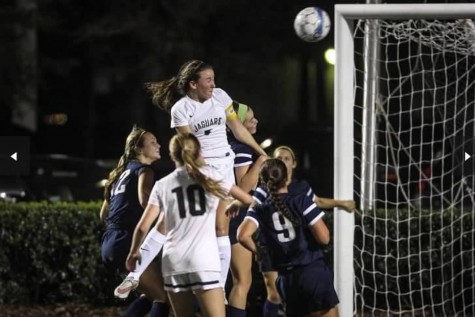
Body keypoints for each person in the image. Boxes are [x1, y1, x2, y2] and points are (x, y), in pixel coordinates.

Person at [146, 60, 267, 292]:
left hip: (223, 170)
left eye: (213, 78)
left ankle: (216, 289)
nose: (213, 83)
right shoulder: (181, 109)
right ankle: (138, 272)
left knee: (219, 229)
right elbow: (191, 148)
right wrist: (208, 176)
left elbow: (238, 129)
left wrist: (262, 153)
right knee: (173, 224)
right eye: (208, 79)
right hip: (203, 173)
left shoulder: (221, 96)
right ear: (193, 84)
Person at [125, 133, 254, 317]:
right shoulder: (211, 175)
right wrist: (236, 203)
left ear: (172, 155)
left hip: (173, 261)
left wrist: (134, 252)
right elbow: (248, 199)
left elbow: (143, 226)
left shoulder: (162, 184)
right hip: (203, 259)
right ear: (198, 152)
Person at [253, 145, 355, 317]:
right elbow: (324, 238)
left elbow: (243, 233)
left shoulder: (297, 190)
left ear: (294, 163)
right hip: (308, 267)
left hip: (286, 274)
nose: (283, 162)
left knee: (279, 296)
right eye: (279, 159)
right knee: (273, 295)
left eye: (286, 158)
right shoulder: (297, 199)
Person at [237, 158, 340, 317]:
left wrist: (259, 251)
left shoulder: (260, 209)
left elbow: (242, 235)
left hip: (287, 280)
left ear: (263, 182)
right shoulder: (301, 200)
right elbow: (324, 238)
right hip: (312, 272)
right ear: (286, 178)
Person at [99, 126, 169, 317]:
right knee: (163, 298)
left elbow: (102, 215)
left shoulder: (119, 174)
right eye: (152, 142)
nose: (158, 144)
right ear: (139, 149)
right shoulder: (144, 170)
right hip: (126, 241)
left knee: (150, 293)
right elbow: (145, 199)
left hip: (110, 242)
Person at [227, 101, 267, 317]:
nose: (256, 121)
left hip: (221, 217)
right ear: (239, 124)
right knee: (242, 281)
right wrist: (261, 161)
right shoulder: (241, 148)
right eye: (250, 119)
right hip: (235, 218)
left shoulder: (224, 146)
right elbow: (242, 187)